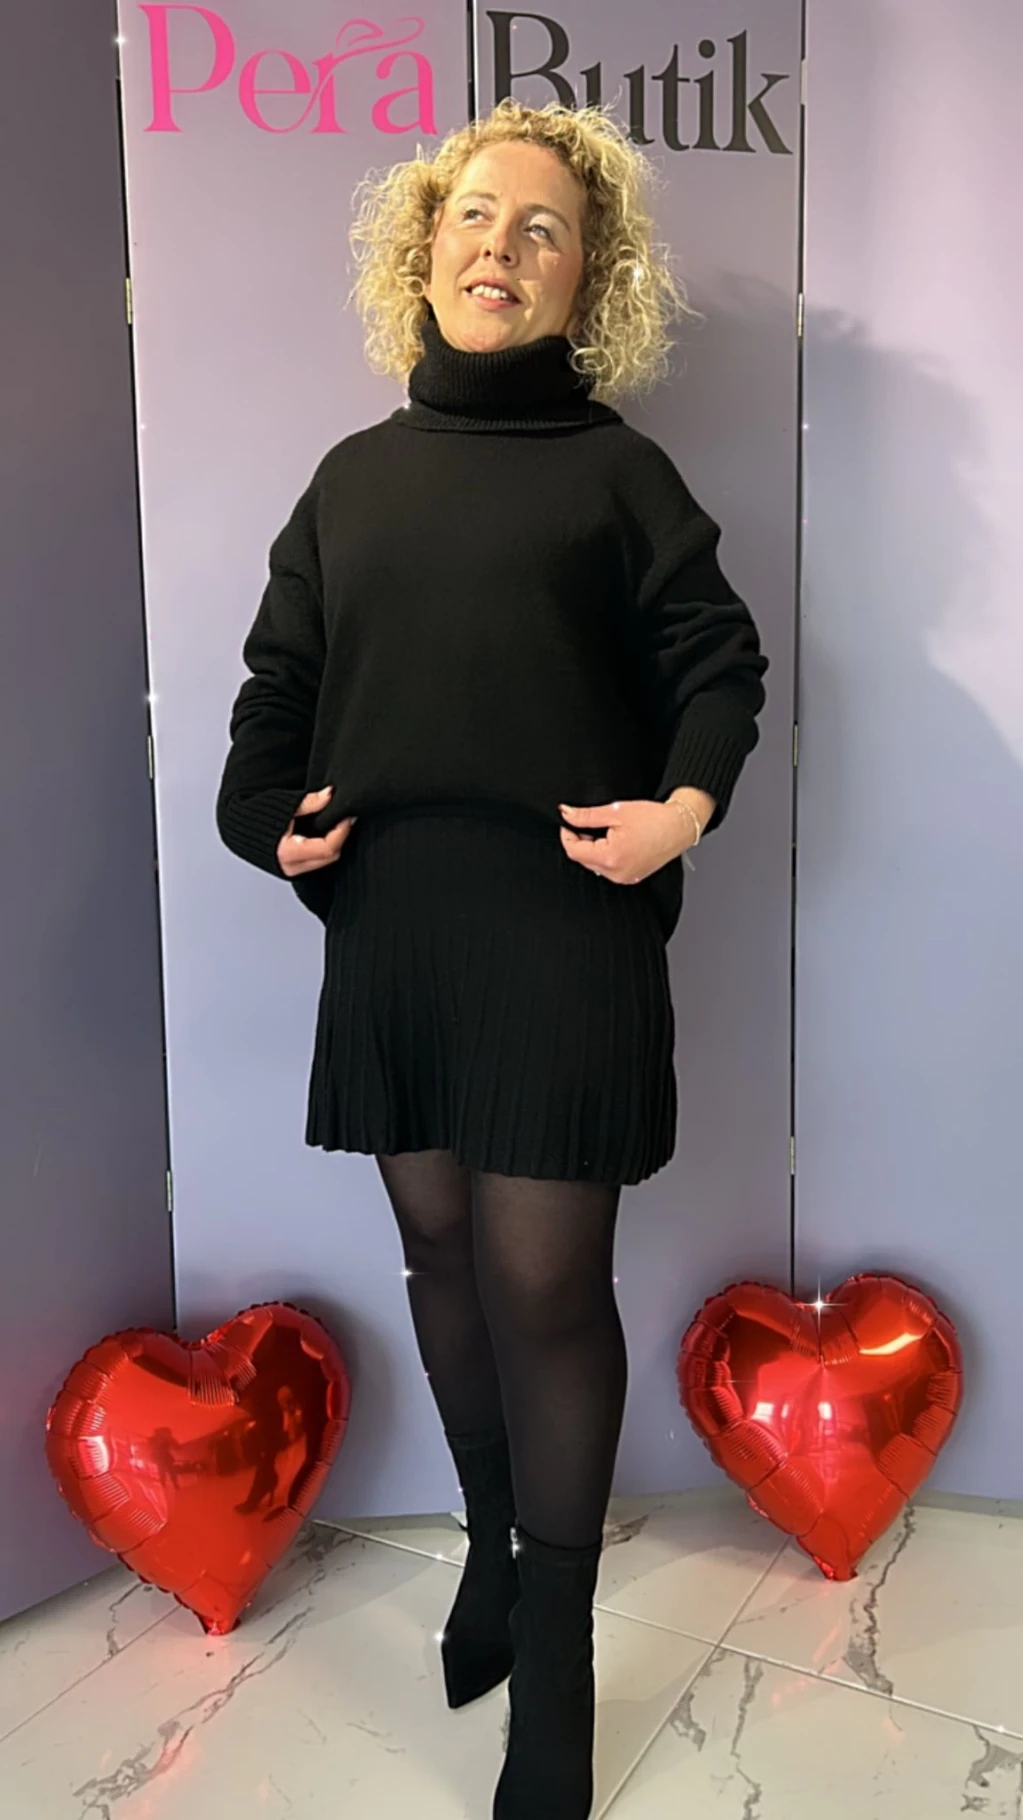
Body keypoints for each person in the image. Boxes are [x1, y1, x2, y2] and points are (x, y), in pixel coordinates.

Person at [216, 98, 767, 1820]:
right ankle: (487, 1546)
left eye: (543, 227)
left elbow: (719, 664)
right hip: (396, 924)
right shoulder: (350, 480)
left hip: (562, 921)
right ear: (425, 245)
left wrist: (682, 811)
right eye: (474, 213)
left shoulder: (618, 474)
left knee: (543, 1285)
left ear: (589, 277)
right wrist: (264, 821)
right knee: (441, 1253)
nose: (501, 246)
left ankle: (559, 1645)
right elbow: (276, 691)